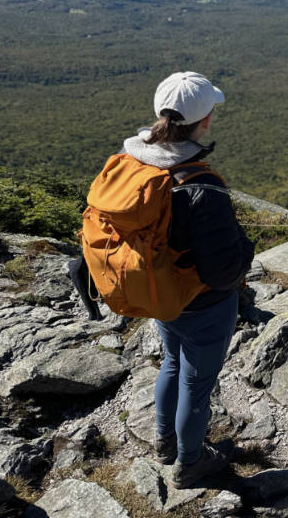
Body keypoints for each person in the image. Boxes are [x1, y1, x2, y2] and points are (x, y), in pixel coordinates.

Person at [121, 71, 254, 488]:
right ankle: (190, 462)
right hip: (201, 302)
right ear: (206, 119)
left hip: (157, 290)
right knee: (196, 385)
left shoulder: (134, 162)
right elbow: (223, 270)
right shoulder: (202, 186)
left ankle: (164, 443)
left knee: (172, 362)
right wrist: (245, 253)